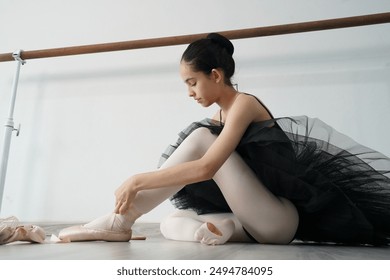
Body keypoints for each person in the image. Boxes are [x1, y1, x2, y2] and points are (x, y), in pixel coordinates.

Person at [57, 33, 390, 246]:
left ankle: (121, 220)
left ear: (215, 75)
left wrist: (138, 180)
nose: (189, 92)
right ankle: (220, 232)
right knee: (174, 221)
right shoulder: (218, 116)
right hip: (251, 220)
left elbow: (206, 167)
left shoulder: (244, 104)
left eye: (192, 82)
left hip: (278, 219)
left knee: (202, 139)